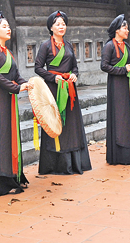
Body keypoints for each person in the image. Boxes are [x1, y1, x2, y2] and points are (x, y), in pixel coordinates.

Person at [33, 11, 92, 175]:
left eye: (63, 24)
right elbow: (38, 68)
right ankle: (56, 165)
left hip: (69, 90)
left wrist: (74, 75)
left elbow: (74, 67)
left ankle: (74, 164)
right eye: (58, 24)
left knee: (71, 125)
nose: (61, 27)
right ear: (51, 28)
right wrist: (53, 77)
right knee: (55, 123)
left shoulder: (68, 45)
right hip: (53, 90)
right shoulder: (45, 46)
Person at [0, 12, 31, 197]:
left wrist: (27, 84)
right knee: (0, 136)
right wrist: (17, 88)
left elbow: (16, 75)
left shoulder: (7, 52)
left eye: (9, 26)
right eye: (4, 26)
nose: (8, 29)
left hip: (9, 98)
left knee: (10, 136)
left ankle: (13, 176)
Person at [100, 14, 130, 165]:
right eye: (124, 28)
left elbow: (129, 67)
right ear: (117, 30)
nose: (127, 31)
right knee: (120, 117)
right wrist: (123, 70)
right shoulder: (109, 46)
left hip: (129, 86)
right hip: (117, 87)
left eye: (127, 28)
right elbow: (104, 66)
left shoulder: (126, 47)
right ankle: (121, 154)